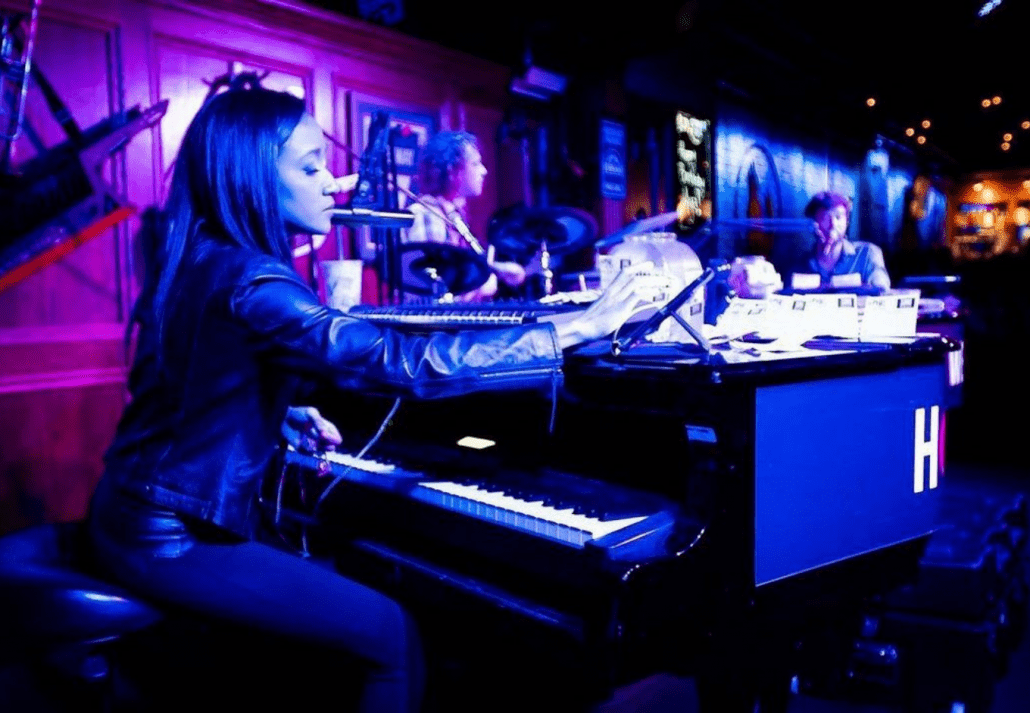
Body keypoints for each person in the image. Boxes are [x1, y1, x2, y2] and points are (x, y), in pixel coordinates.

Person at [85, 86, 661, 713]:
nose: (333, 183)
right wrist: (567, 329)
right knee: (392, 635)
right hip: (167, 535)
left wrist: (278, 413)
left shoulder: (197, 257)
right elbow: (399, 363)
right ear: (251, 177)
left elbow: (182, 384)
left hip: (126, 506)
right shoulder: (254, 278)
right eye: (310, 168)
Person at [402, 130, 525, 301]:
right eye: (475, 164)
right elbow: (435, 293)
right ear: (453, 171)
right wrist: (482, 286)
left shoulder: (451, 215)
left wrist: (496, 268)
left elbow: (453, 267)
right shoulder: (427, 216)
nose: (484, 171)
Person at [792, 191, 891, 292]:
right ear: (813, 223)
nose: (833, 225)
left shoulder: (867, 254)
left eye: (838, 217)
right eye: (825, 218)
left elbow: (882, 290)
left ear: (847, 222)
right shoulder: (801, 264)